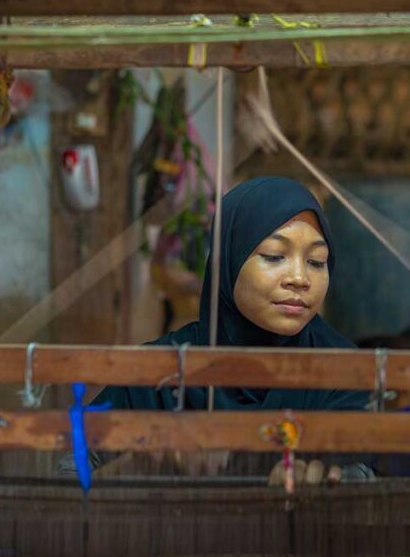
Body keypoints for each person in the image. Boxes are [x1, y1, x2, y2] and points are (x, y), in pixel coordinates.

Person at [95, 176, 369, 412]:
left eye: (316, 262)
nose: (299, 278)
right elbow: (78, 454)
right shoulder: (157, 375)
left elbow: (359, 463)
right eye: (274, 257)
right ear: (228, 261)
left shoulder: (343, 373)